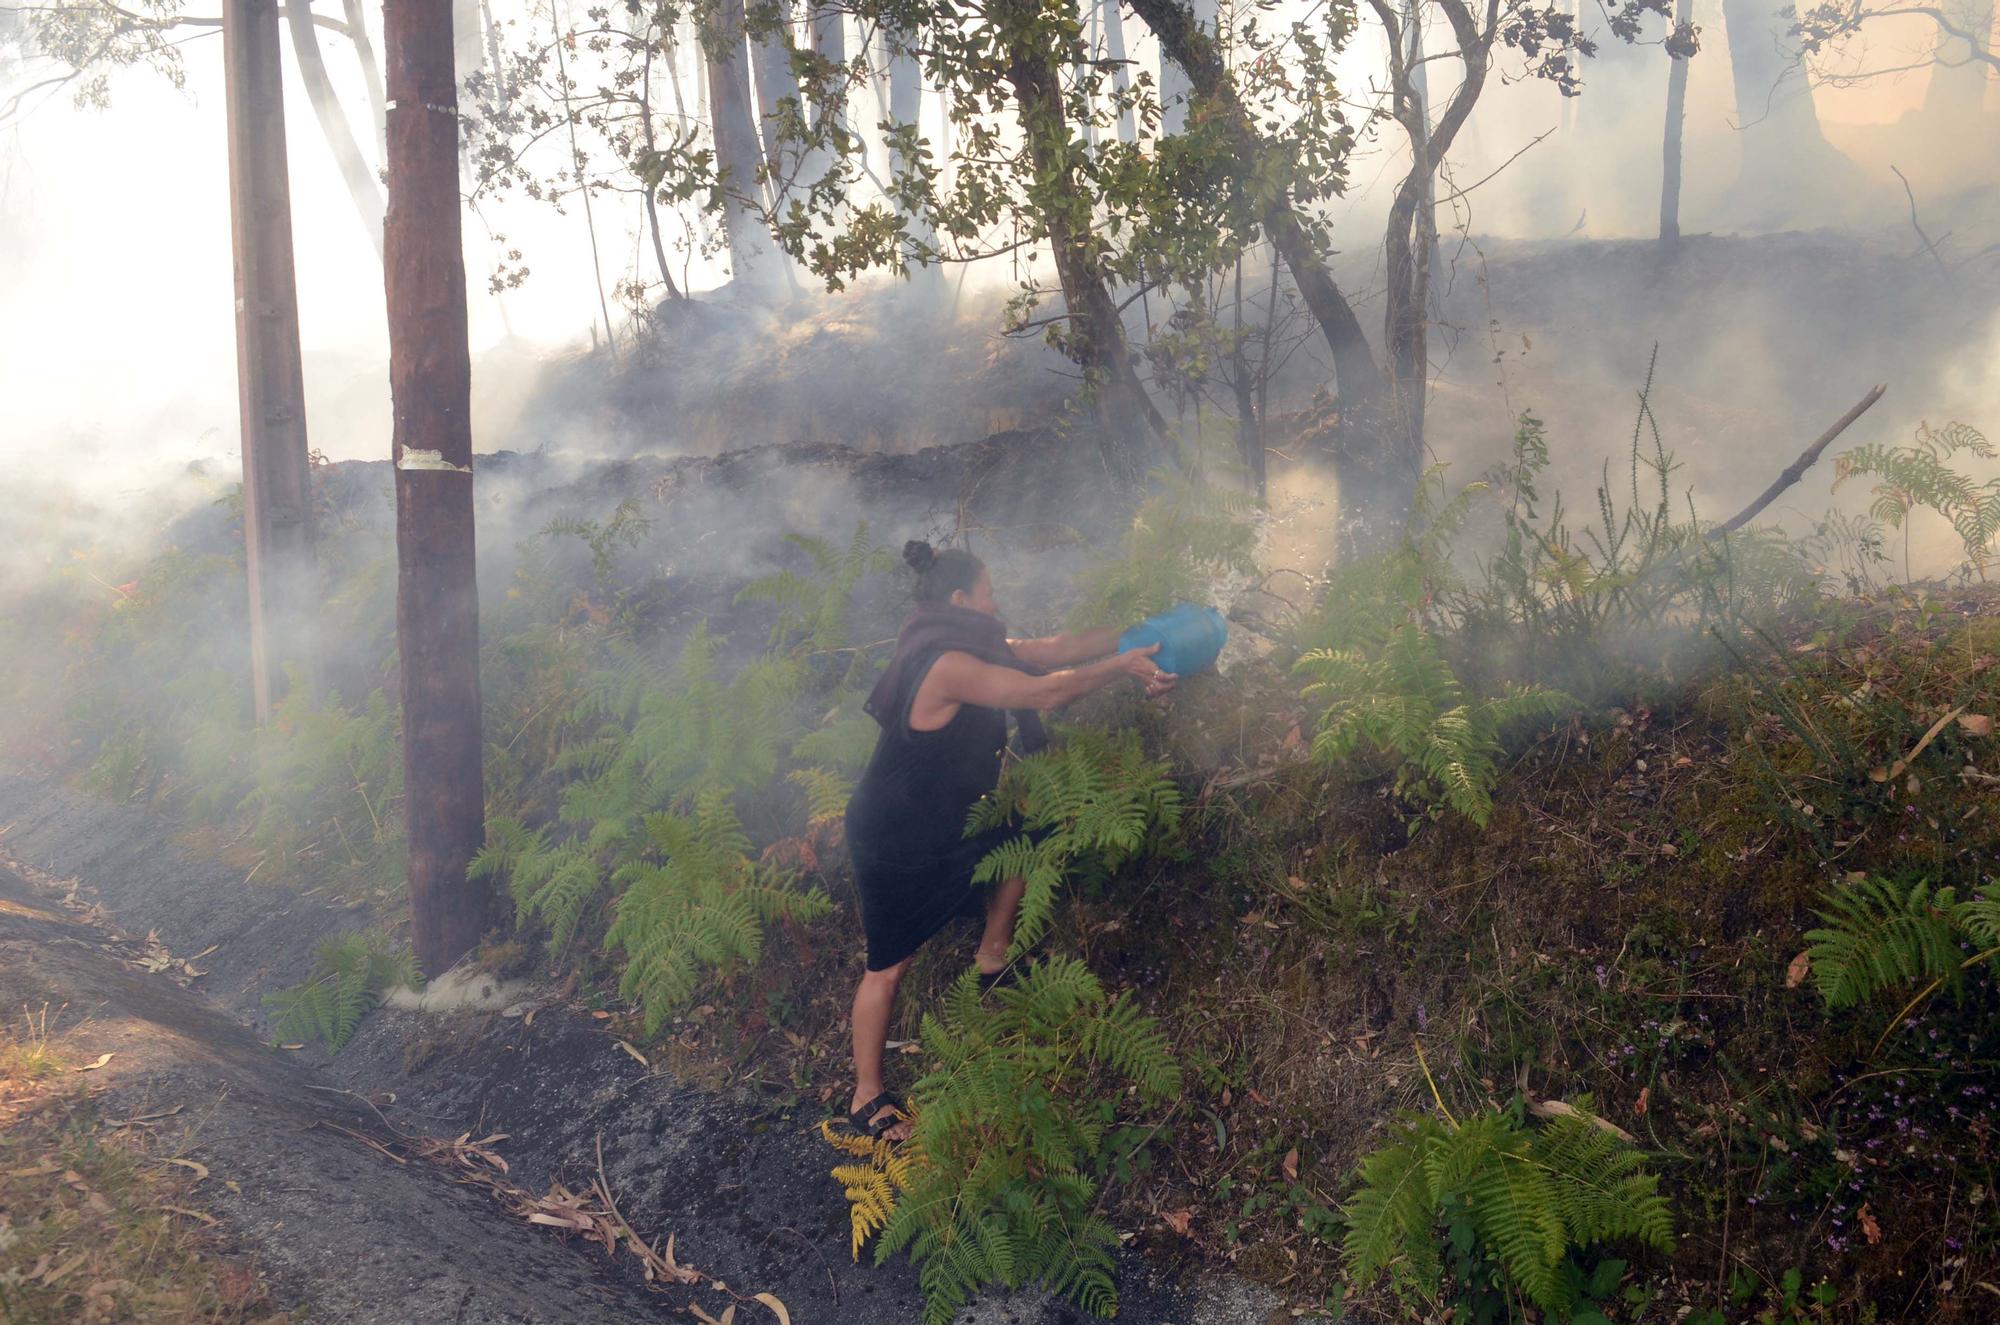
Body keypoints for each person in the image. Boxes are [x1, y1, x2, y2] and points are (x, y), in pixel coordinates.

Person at [842, 540, 1175, 1140]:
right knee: (890, 966)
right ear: (960, 600)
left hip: (950, 819)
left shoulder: (973, 644)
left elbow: (1054, 652)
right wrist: (1122, 669)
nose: (998, 603)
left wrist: (1135, 635)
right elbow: (1046, 690)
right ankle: (866, 1092)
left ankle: (992, 957)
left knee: (1026, 837)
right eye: (990, 592)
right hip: (893, 832)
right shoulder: (946, 663)